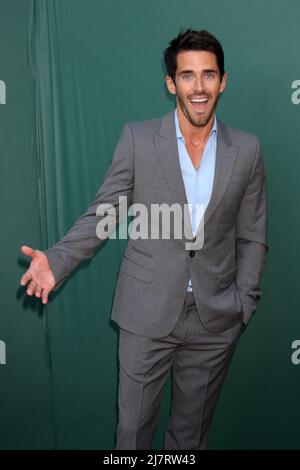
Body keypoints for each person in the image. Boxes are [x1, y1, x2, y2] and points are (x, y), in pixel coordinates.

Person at [20, 29, 268, 449]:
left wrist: (243, 303)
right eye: (187, 76)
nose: (199, 87)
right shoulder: (137, 139)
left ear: (223, 80)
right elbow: (104, 215)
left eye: (208, 75)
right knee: (132, 436)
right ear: (171, 83)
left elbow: (253, 235)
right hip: (145, 314)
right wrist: (57, 260)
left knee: (190, 439)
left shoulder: (246, 149)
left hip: (215, 317)